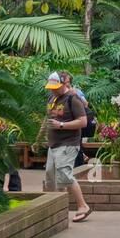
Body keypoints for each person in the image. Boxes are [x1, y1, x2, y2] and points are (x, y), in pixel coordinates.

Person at [37, 71, 91, 222]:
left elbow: (83, 122)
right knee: (51, 176)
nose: (52, 89)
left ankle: (83, 206)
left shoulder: (73, 99)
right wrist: (38, 138)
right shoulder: (52, 98)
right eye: (51, 87)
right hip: (53, 145)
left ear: (63, 84)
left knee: (65, 175)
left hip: (68, 144)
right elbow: (47, 119)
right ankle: (60, 208)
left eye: (55, 87)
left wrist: (61, 125)